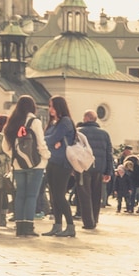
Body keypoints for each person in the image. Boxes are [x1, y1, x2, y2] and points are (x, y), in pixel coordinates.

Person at [1, 95, 51, 237]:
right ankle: (28, 226)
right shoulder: (34, 121)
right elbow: (41, 143)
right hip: (36, 164)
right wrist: (46, 156)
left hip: (18, 165)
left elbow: (5, 146)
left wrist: (15, 156)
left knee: (20, 195)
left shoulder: (12, 122)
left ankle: (19, 227)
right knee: (31, 196)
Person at [42, 95, 77, 237]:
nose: (50, 109)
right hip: (52, 161)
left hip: (63, 163)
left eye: (52, 106)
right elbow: (48, 139)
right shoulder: (54, 123)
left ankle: (70, 226)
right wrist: (52, 142)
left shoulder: (65, 122)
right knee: (53, 196)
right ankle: (57, 225)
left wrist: (52, 142)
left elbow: (51, 138)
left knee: (59, 195)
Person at [75, 109, 114, 230]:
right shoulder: (104, 134)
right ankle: (95, 219)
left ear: (86, 118)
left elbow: (74, 151)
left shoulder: (79, 132)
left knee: (85, 194)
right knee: (96, 194)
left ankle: (88, 222)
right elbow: (109, 154)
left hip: (83, 167)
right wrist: (109, 171)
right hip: (99, 168)